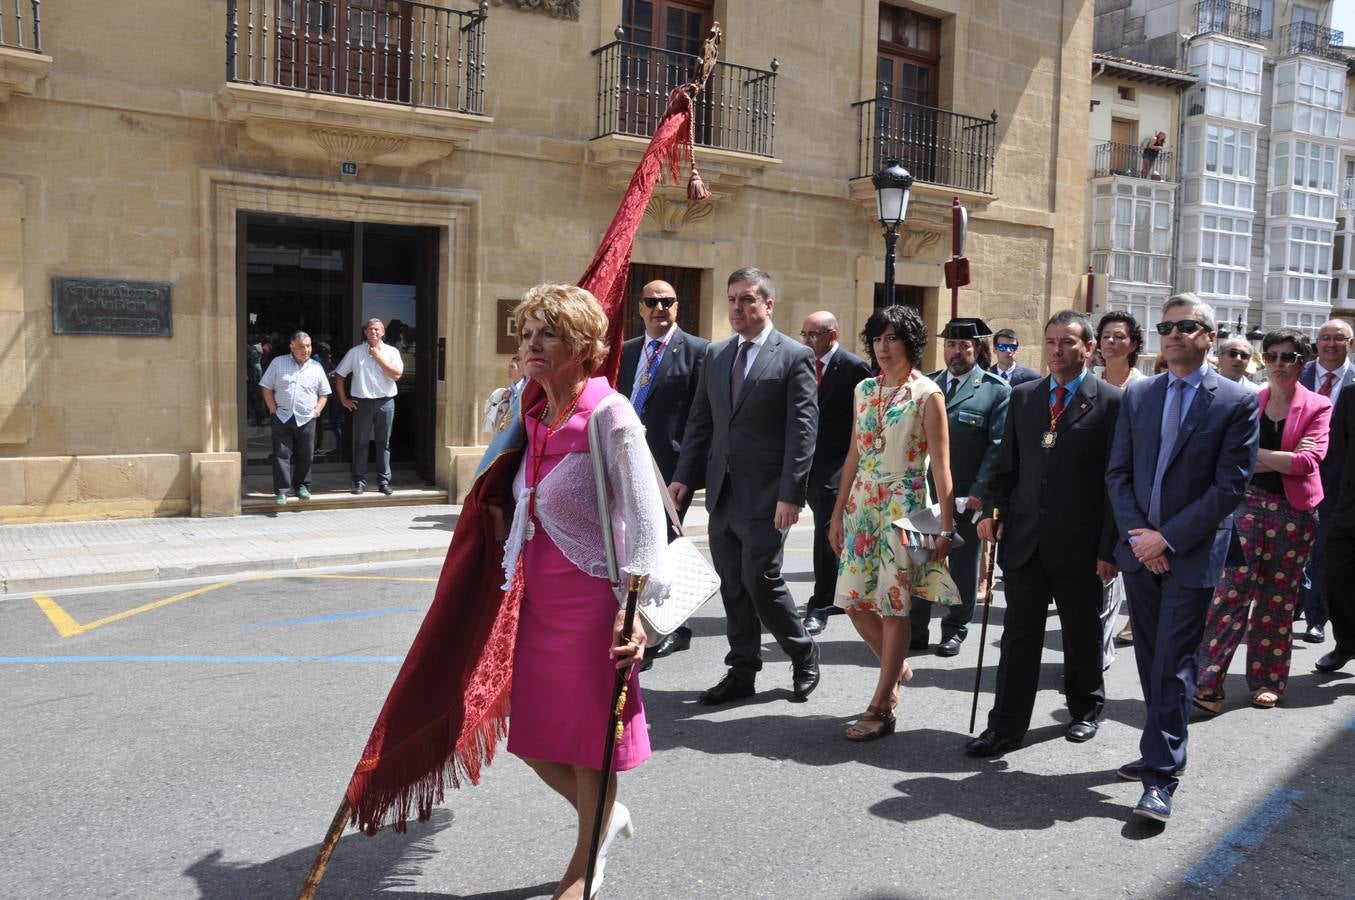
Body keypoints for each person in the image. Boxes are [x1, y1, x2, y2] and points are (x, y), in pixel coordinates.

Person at [498, 283, 668, 899]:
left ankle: (582, 864)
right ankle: (602, 822)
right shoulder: (529, 410)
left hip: (594, 602)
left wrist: (633, 612)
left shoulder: (610, 413)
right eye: (526, 333)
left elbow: (647, 522)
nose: (532, 345)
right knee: (533, 737)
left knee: (590, 745)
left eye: (548, 334)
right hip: (537, 602)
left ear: (583, 346)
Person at [1106, 293, 1259, 824]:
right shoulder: (1140, 394)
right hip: (1140, 552)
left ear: (1209, 338)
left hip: (1190, 555)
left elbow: (1228, 488)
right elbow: (1118, 474)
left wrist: (1165, 539)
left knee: (1173, 661)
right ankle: (1160, 747)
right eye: (1167, 326)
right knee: (1151, 659)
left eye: (1187, 326)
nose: (1174, 334)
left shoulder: (1236, 401)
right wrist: (1139, 537)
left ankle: (1160, 777)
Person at [965, 310, 1122, 757]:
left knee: (1080, 633)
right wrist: (992, 510)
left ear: (1088, 348)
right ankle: (1005, 727)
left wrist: (1109, 547)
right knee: (1019, 637)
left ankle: (1085, 709)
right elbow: (1006, 466)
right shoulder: (1024, 397)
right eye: (1051, 341)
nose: (1057, 350)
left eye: (1068, 342)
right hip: (1025, 539)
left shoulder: (1110, 402)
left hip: (1081, 543)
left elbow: (1116, 482)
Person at [670, 267, 821, 705]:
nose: (738, 307)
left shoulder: (793, 356)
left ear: (768, 305)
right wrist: (682, 476)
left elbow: (803, 431)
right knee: (732, 582)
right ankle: (742, 669)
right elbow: (700, 423)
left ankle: (801, 651)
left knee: (762, 578)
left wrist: (791, 494)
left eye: (747, 299)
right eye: (732, 299)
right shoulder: (716, 356)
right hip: (722, 490)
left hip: (768, 493)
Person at [830, 305, 957, 740]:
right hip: (862, 504)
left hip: (906, 506)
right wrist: (837, 511)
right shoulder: (864, 389)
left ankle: (881, 705)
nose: (884, 347)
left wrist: (946, 524)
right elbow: (852, 454)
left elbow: (941, 465)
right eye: (878, 338)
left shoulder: (928, 394)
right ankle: (895, 665)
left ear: (910, 343)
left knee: (892, 606)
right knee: (850, 600)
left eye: (893, 338)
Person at [1194, 329, 1327, 713]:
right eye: (1272, 356)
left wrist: (1258, 454)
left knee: (1278, 600)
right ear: (1263, 361)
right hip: (1247, 505)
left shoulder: (1317, 405)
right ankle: (1207, 682)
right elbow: (1231, 455)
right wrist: (1281, 456)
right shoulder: (1250, 401)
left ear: (1303, 362)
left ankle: (1268, 679)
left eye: (1289, 357)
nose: (1280, 364)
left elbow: (1307, 462)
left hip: (1294, 512)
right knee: (1230, 592)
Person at [617, 279, 710, 663]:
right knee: (633, 544)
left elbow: (700, 420)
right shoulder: (627, 352)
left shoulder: (698, 352)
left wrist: (685, 475)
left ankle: (675, 627)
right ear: (639, 308)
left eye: (667, 301)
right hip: (626, 464)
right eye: (652, 301)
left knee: (666, 547)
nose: (660, 307)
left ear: (677, 307)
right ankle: (637, 622)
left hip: (669, 470)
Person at [909, 318, 1009, 656]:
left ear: (977, 349)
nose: (956, 352)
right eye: (950, 345)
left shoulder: (995, 390)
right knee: (921, 560)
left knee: (964, 567)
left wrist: (980, 492)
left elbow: (996, 448)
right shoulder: (928, 384)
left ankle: (955, 628)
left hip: (965, 495)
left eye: (964, 346)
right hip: (926, 492)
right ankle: (916, 629)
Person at [800, 309, 873, 637]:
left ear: (833, 335)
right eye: (804, 334)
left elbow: (863, 422)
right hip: (800, 462)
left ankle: (822, 601)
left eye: (812, 335)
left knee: (826, 530)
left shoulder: (854, 368)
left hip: (835, 466)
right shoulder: (800, 363)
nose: (806, 341)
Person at [1297, 319, 1355, 644]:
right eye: (1324, 338)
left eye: (1339, 338)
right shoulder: (1296, 372)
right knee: (1293, 547)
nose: (1331, 344)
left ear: (1351, 342)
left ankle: (1316, 617)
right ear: (1316, 343)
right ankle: (1292, 604)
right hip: (1295, 474)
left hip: (1340, 483)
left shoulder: (1353, 381)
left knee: (1325, 552)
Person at [1094, 311, 1148, 650]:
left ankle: (1099, 654)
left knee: (1114, 568)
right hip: (1089, 488)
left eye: (1119, 337)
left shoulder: (1144, 388)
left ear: (1134, 344)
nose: (1111, 342)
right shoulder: (1088, 381)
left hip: (1127, 489)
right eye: (1106, 336)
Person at [259, 331, 332, 506]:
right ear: (292, 346)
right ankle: (282, 491)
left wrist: (316, 411)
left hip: (307, 418)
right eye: (301, 346)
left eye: (308, 346)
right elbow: (266, 388)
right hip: (282, 416)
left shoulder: (316, 367)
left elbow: (324, 393)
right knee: (281, 455)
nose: (306, 350)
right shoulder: (278, 363)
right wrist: (273, 411)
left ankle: (302, 486)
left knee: (306, 455)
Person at [333, 318, 404, 496]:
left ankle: (383, 481)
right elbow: (339, 375)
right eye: (370, 329)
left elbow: (396, 375)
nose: (373, 332)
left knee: (383, 443)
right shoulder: (355, 353)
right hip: (362, 403)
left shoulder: (392, 352)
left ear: (383, 332)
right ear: (365, 332)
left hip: (385, 402)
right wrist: (344, 399)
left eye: (377, 329)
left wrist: (378, 358)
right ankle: (359, 481)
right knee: (361, 443)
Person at [1318, 385, 1355, 674]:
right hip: (1347, 508)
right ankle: (1347, 643)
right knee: (1335, 579)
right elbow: (1336, 455)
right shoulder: (1350, 395)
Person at [482, 353, 526, 435]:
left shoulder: (526, 388)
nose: (509, 370)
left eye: (512, 367)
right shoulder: (511, 389)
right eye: (509, 366)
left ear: (522, 371)